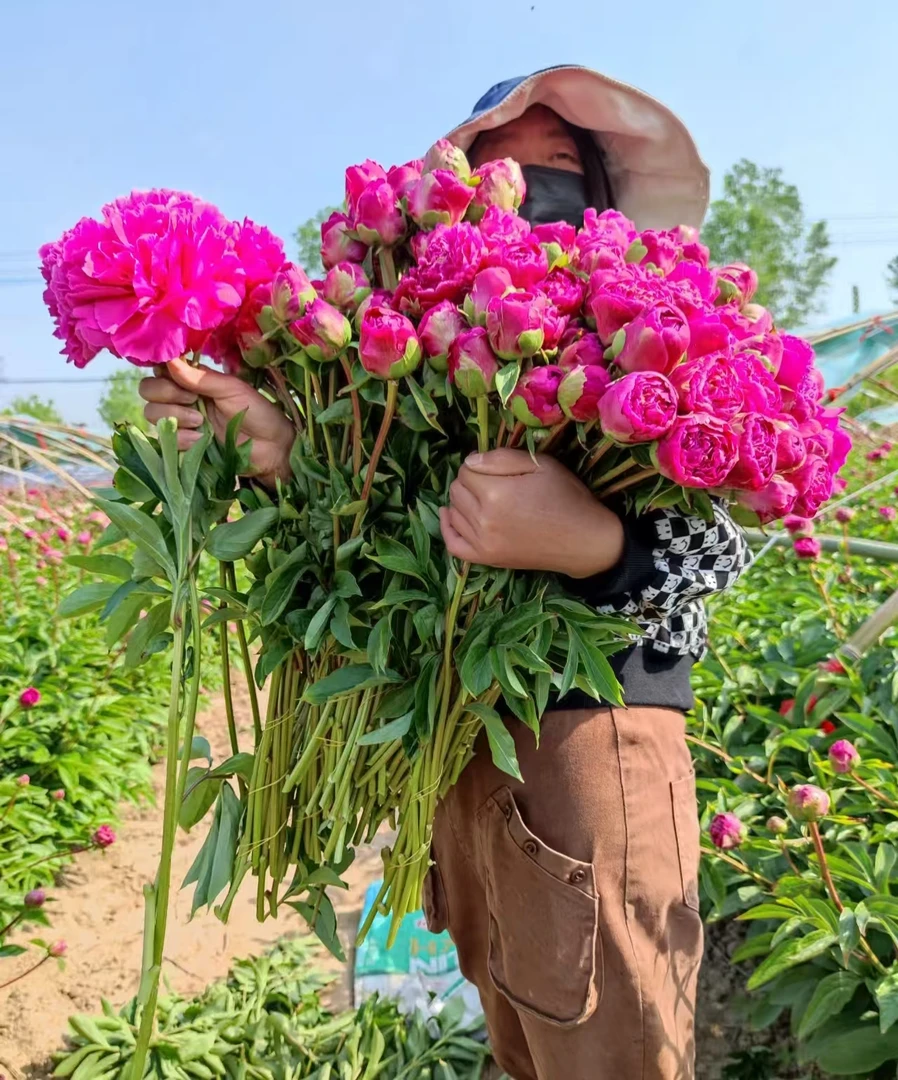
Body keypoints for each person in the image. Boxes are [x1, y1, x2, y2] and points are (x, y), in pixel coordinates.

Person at [139, 65, 752, 1080]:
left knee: (610, 1052)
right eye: (500, 167)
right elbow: (379, 548)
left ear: (601, 195)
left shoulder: (664, 330)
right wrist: (287, 451)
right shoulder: (418, 360)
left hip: (589, 737)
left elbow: (724, 550)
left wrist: (596, 542)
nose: (529, 185)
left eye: (560, 165)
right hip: (461, 744)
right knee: (520, 1036)